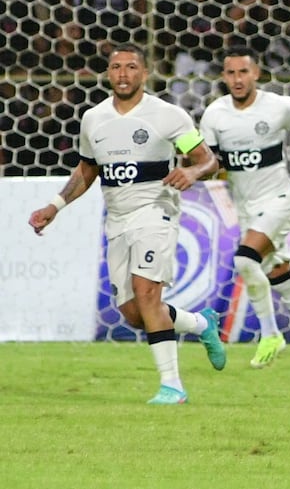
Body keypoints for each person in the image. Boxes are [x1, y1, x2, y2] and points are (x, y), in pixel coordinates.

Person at [28, 43, 225, 405]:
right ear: (108, 73)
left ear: (145, 73)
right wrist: (55, 206)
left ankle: (173, 387)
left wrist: (192, 171)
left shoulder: (166, 116)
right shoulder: (94, 119)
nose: (123, 74)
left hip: (156, 211)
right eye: (116, 67)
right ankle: (200, 324)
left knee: (148, 293)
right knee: (136, 315)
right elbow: (88, 169)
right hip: (116, 219)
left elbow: (206, 159)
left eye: (131, 67)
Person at [198, 45, 290, 376]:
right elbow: (211, 162)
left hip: (278, 199)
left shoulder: (279, 107)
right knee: (280, 275)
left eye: (243, 72)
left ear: (256, 73)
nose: (237, 79)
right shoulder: (214, 115)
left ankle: (271, 334)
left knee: (245, 260)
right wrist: (194, 169)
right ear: (224, 76)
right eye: (231, 73)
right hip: (247, 207)